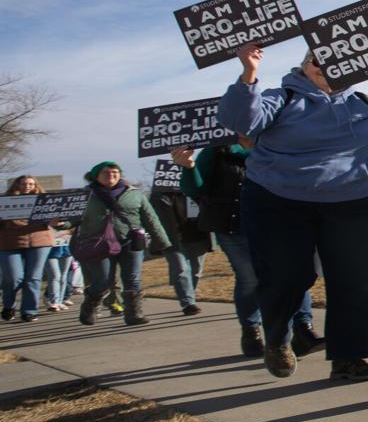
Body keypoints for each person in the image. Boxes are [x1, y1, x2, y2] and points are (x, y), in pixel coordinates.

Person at [218, 43, 368, 381]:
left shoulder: (365, 102)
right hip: (279, 201)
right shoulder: (282, 97)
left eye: (338, 60)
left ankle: (348, 359)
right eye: (318, 60)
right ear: (305, 66)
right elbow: (241, 121)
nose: (327, 67)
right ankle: (278, 338)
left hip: (352, 203)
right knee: (286, 276)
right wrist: (249, 72)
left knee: (353, 281)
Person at [175, 142, 324, 358]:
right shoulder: (216, 151)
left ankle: (303, 330)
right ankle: (251, 331)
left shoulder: (279, 142)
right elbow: (194, 189)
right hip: (234, 227)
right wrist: (189, 167)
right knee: (250, 278)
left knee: (294, 274)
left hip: (279, 224)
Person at [74, 162, 170, 326]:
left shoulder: (135, 193)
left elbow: (151, 218)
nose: (111, 175)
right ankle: (90, 306)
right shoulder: (85, 195)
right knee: (102, 280)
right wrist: (61, 224)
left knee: (132, 279)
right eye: (105, 172)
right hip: (98, 243)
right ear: (96, 176)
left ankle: (134, 314)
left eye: (115, 172)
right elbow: (72, 218)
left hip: (131, 241)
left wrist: (162, 241)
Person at [148, 176, 213, 316]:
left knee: (196, 271)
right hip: (171, 238)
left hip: (197, 235)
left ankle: (189, 296)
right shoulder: (159, 194)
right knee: (181, 269)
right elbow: (151, 214)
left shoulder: (196, 186)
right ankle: (188, 303)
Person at [2, 175, 60, 322]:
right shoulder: (4, 201)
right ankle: (9, 306)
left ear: (35, 186)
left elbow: (58, 221)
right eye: (23, 183)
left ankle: (29, 310)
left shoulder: (45, 202)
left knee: (33, 277)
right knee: (13, 277)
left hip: (39, 241)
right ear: (16, 185)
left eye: (30, 184)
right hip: (10, 242)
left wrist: (58, 222)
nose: (27, 186)